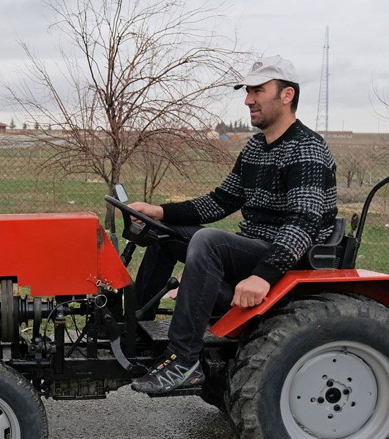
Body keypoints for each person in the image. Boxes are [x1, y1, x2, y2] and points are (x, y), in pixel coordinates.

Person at [128, 55, 338, 394]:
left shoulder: (307, 148)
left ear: (286, 95)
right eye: (247, 91)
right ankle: (135, 325)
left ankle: (184, 360)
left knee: (209, 242)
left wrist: (263, 275)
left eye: (257, 91)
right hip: (256, 248)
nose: (248, 100)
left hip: (287, 257)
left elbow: (304, 221)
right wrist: (159, 212)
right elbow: (221, 201)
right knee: (162, 232)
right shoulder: (256, 147)